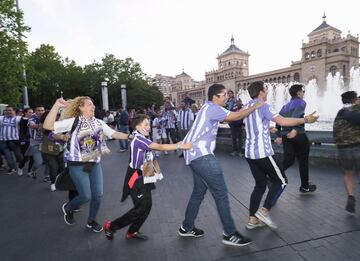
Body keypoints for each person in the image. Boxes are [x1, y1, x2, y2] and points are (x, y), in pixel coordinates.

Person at [179, 83, 264, 247]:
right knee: (221, 193)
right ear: (214, 97)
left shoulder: (208, 107)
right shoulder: (213, 108)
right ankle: (229, 233)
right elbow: (237, 116)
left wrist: (245, 108)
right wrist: (255, 106)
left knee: (198, 192)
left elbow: (235, 113)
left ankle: (186, 227)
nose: (227, 97)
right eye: (224, 94)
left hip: (193, 155)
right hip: (202, 156)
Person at [43, 96, 132, 232]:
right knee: (86, 195)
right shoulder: (73, 121)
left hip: (94, 164)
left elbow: (113, 133)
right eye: (89, 104)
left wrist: (128, 136)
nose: (93, 107)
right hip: (77, 165)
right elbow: (47, 126)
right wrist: (56, 106)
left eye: (93, 105)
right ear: (81, 107)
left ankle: (91, 221)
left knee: (98, 195)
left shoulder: (99, 122)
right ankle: (68, 208)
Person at [103, 114, 192, 240]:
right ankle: (111, 226)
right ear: (137, 126)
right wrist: (179, 145)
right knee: (140, 208)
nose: (148, 127)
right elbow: (160, 147)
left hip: (146, 171)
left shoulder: (140, 136)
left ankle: (132, 231)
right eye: (145, 124)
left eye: (149, 124)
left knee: (147, 206)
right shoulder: (139, 139)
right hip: (136, 177)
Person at [243, 81, 318, 230]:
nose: (267, 91)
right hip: (262, 153)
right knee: (282, 181)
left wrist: (269, 128)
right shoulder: (263, 105)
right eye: (265, 89)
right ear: (260, 92)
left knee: (260, 185)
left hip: (249, 153)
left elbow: (253, 124)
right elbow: (283, 120)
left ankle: (252, 220)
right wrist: (305, 120)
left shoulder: (246, 107)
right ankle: (264, 211)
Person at [275, 84, 316, 193]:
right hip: (299, 135)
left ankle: (273, 177)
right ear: (298, 93)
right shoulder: (301, 102)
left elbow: (278, 121)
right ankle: (305, 186)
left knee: (289, 160)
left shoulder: (285, 106)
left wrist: (279, 135)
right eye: (303, 91)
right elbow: (298, 116)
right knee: (303, 161)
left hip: (286, 137)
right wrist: (296, 129)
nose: (304, 93)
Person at [333, 91, 360, 213]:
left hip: (343, 149)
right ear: (355, 100)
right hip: (357, 147)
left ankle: (350, 196)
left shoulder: (340, 113)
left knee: (348, 174)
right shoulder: (357, 109)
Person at [0, 106, 23, 174]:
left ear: (14, 111)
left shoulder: (18, 118)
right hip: (3, 140)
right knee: (7, 156)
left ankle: (21, 165)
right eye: (6, 110)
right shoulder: (1, 118)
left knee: (19, 156)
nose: (8, 111)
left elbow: (27, 122)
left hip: (14, 140)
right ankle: (12, 168)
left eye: (10, 110)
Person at [17, 108, 34, 176]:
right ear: (25, 113)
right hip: (25, 141)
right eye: (29, 112)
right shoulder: (23, 120)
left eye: (32, 112)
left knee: (33, 157)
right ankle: (20, 167)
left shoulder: (34, 120)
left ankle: (29, 171)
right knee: (26, 157)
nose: (31, 114)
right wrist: (22, 140)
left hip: (33, 140)